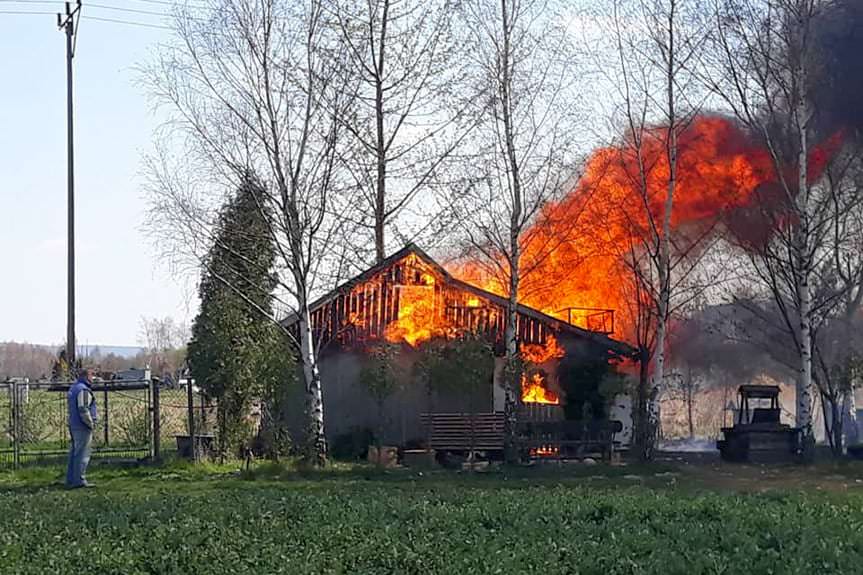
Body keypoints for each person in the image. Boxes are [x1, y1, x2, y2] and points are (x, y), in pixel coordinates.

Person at [66, 367, 98, 488]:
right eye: (92, 375)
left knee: (74, 453)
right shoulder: (83, 390)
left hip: (73, 424)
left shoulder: (74, 387)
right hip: (82, 425)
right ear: (86, 376)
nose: (93, 378)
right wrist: (91, 424)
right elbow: (83, 409)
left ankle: (71, 479)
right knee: (82, 454)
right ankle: (79, 480)